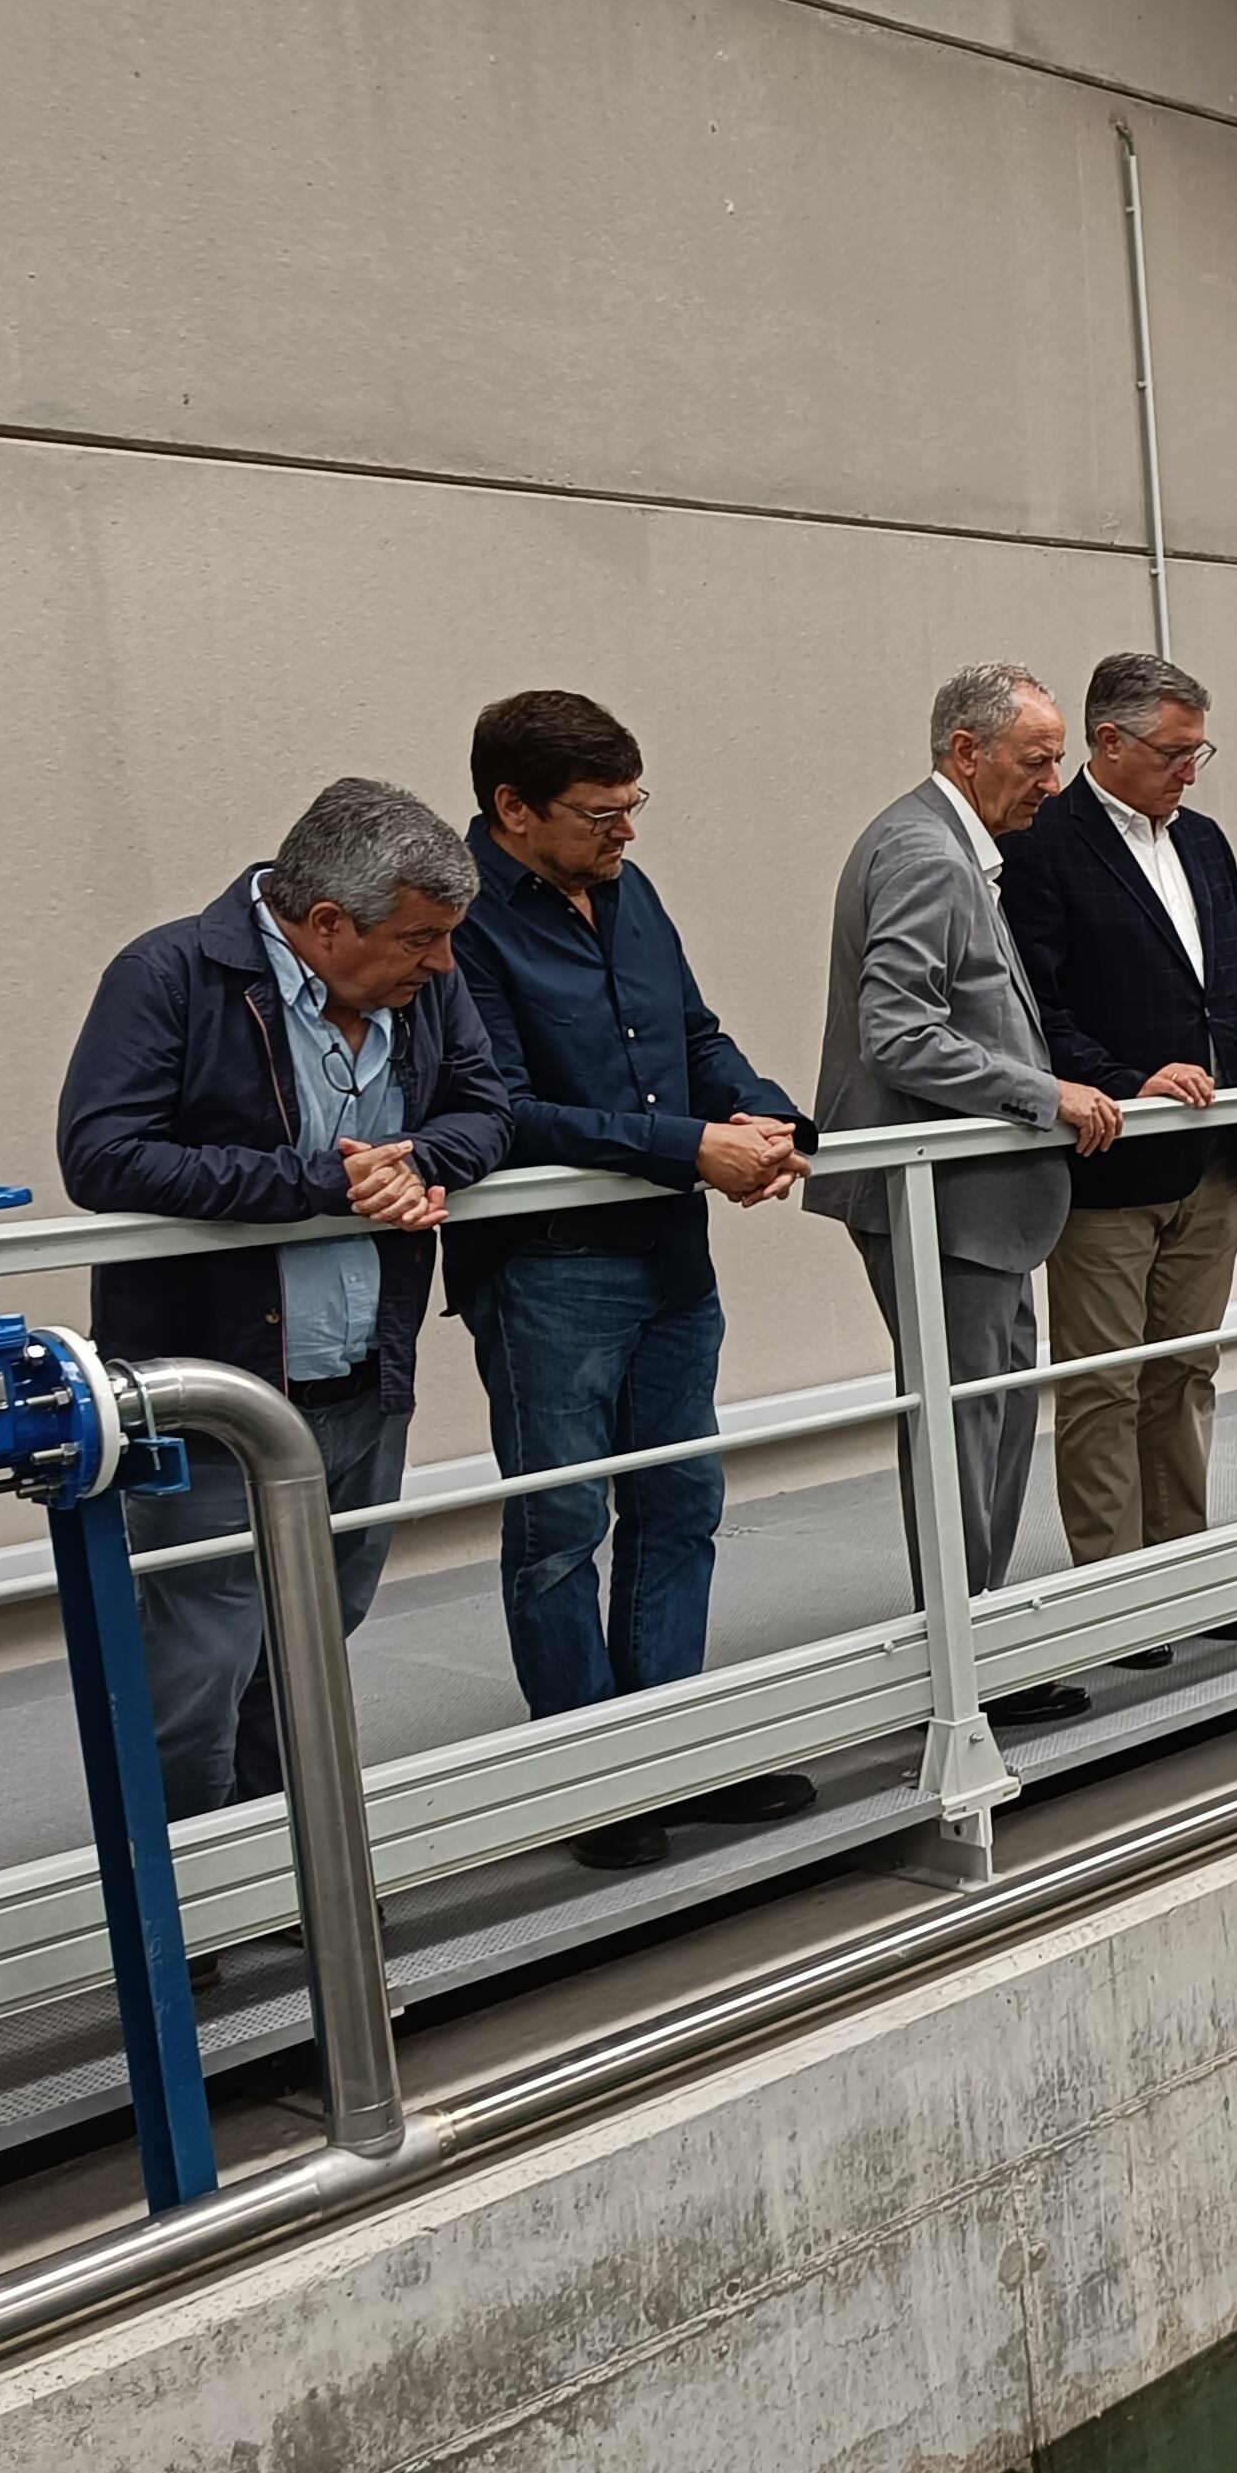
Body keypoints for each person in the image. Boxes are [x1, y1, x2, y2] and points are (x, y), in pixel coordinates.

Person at [56, 779, 515, 1818]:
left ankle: (291, 1874)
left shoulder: (421, 980)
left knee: (313, 1639)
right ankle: (190, 1902)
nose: (443, 963)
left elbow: (487, 1107)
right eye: (421, 940)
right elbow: (104, 1156)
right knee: (198, 1659)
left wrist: (421, 1159)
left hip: (363, 1381)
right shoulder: (167, 974)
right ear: (324, 925)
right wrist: (322, 1184)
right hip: (209, 1394)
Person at [449, 689, 820, 1867]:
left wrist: (762, 1112)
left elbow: (692, 1034)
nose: (626, 833)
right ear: (512, 809)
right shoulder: (457, 921)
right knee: (560, 1523)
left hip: (667, 1253)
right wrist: (690, 1150)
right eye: (599, 814)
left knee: (680, 1505)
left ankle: (669, 1746)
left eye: (633, 806)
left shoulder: (628, 891)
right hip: (552, 1272)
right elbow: (504, 1113)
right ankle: (588, 1780)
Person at [1000, 654, 1237, 1653]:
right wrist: (1130, 1078)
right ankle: (1118, 1596)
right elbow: (1036, 1011)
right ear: (1108, 744)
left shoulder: (1204, 846)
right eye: (1174, 753)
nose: (1191, 771)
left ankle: (1184, 1565)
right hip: (1108, 1166)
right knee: (1104, 1384)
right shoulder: (1043, 845)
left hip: (1211, 1159)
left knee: (1186, 1374)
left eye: (1198, 750)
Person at [808, 662, 1116, 1728]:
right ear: (966, 753)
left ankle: (978, 1636)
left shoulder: (946, 846)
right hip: (944, 1201)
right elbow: (897, 1034)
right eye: (1037, 762)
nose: (1052, 783)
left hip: (977, 1204)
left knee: (988, 1417)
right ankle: (964, 1659)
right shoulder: (927, 854)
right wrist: (1047, 1094)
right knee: (964, 1429)